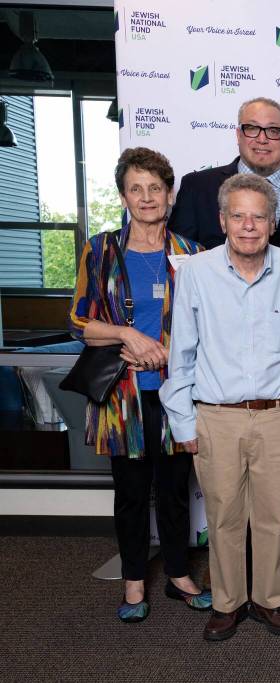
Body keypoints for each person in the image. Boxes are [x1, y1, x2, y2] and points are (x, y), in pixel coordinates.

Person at [160, 173, 280, 641]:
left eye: (259, 217)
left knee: (276, 515)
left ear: (273, 223)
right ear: (223, 220)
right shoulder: (195, 272)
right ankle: (228, 603)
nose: (249, 226)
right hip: (216, 416)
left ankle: (271, 601)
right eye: (239, 216)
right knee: (223, 515)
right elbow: (182, 354)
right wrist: (182, 420)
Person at [68, 147, 208, 623]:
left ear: (169, 195)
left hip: (176, 392)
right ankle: (132, 581)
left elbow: (208, 324)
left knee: (173, 490)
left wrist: (167, 350)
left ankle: (177, 574)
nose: (146, 197)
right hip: (120, 396)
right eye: (136, 188)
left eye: (155, 188)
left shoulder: (192, 254)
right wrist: (127, 333)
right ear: (124, 196)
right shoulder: (101, 248)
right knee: (130, 493)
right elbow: (79, 321)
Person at [167, 96, 280, 264]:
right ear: (239, 135)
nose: (262, 139)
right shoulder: (197, 188)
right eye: (252, 128)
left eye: (272, 131)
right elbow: (179, 257)